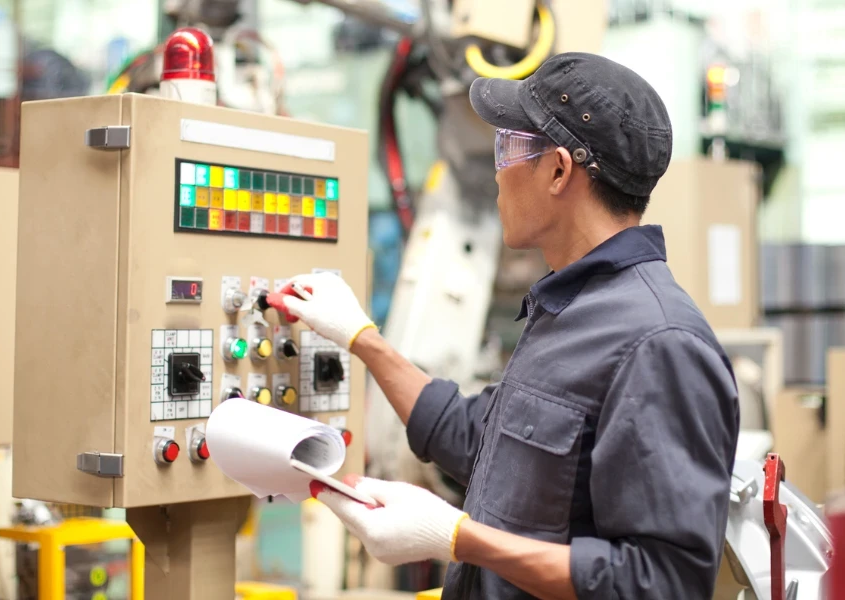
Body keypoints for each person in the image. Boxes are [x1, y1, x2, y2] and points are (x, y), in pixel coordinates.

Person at [267, 52, 740, 600]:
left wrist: (459, 539)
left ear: (560, 170)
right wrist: (360, 338)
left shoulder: (659, 345)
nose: (498, 172)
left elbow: (661, 584)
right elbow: (480, 440)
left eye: (510, 147)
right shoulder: (569, 308)